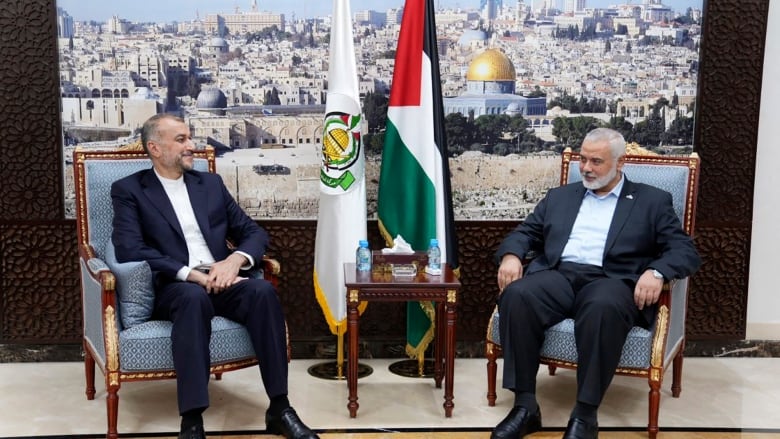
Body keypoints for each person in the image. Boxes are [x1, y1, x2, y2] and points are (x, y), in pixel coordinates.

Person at [111, 114, 319, 439]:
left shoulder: (209, 184)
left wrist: (234, 261)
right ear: (154, 147)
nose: (191, 145)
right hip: (176, 287)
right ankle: (192, 420)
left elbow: (252, 231)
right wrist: (191, 275)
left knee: (262, 292)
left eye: (189, 137)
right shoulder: (130, 190)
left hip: (223, 279)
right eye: (180, 140)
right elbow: (128, 248)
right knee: (193, 298)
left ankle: (280, 408)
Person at [491, 128, 701, 439]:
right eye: (582, 160)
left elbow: (684, 250)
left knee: (602, 307)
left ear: (620, 162)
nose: (586, 168)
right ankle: (525, 407)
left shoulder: (652, 201)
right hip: (559, 275)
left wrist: (656, 272)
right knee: (518, 296)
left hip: (612, 280)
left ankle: (585, 415)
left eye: (596, 162)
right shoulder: (560, 197)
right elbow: (524, 234)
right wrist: (511, 256)